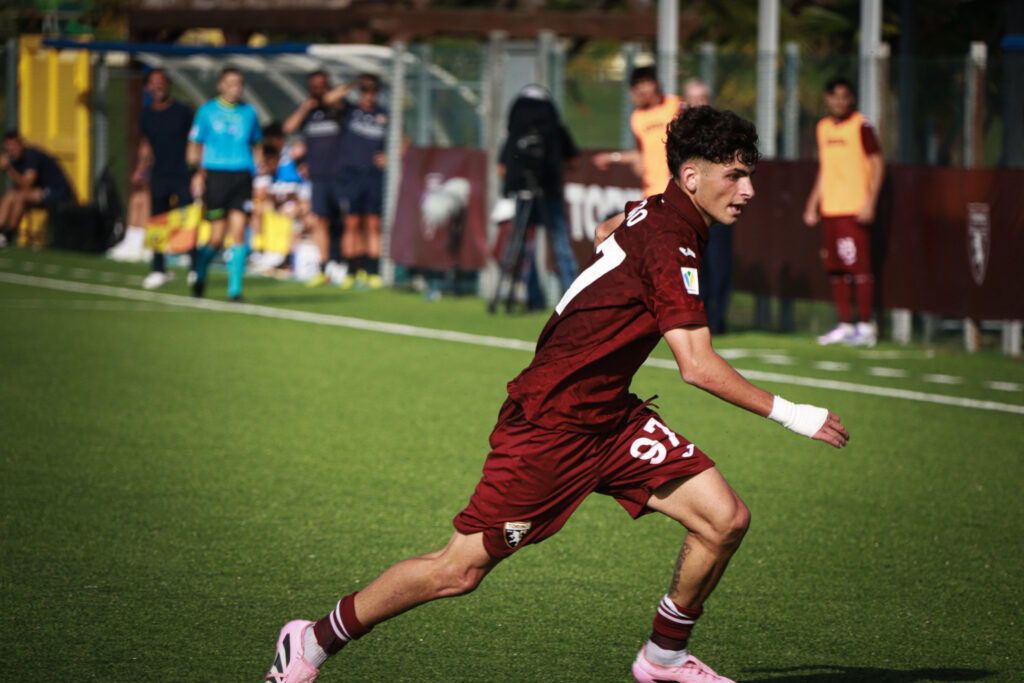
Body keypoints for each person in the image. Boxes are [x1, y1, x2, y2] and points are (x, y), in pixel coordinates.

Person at [264, 106, 850, 683]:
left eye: (750, 175)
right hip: (550, 425)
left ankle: (663, 660)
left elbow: (605, 232)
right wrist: (794, 414)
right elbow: (697, 367)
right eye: (736, 175)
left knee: (724, 519)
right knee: (459, 570)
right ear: (691, 177)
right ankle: (311, 641)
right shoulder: (672, 241)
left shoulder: (659, 211)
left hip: (610, 418)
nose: (748, 190)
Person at [803, 76, 884, 347]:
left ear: (852, 99)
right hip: (831, 210)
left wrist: (871, 202)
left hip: (854, 208)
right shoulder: (823, 127)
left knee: (858, 268)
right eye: (834, 96)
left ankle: (865, 326)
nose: (839, 101)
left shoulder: (861, 126)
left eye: (844, 96)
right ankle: (846, 325)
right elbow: (825, 170)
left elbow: (877, 163)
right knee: (836, 269)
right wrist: (813, 204)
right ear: (828, 99)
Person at [498, 84, 580, 309]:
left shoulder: (517, 135)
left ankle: (539, 297)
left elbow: (502, 168)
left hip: (532, 192)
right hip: (545, 190)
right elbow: (573, 160)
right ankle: (571, 297)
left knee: (527, 245)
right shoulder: (554, 130)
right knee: (557, 243)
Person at [187, 66, 263, 301]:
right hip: (216, 176)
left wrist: (259, 173)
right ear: (220, 85)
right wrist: (196, 173)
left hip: (241, 176)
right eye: (231, 83)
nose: (236, 88)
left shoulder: (249, 113)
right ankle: (200, 272)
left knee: (239, 231)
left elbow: (257, 144)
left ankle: (235, 291)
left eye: (239, 83)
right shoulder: (207, 111)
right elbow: (194, 144)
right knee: (217, 237)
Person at [283, 69, 352, 287]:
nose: (319, 89)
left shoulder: (339, 109)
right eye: (315, 85)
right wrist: (305, 107)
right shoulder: (309, 111)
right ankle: (324, 267)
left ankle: (345, 264)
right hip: (318, 177)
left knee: (344, 220)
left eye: (322, 85)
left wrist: (329, 100)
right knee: (320, 220)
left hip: (340, 174)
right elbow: (288, 127)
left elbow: (343, 100)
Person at [134, 68, 194, 290]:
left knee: (188, 220)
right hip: (159, 174)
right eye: (153, 83)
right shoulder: (146, 114)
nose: (157, 86)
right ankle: (158, 269)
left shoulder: (182, 111)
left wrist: (197, 170)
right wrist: (141, 168)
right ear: (148, 87)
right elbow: (146, 143)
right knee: (157, 223)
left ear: (168, 84)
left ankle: (195, 268)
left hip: (183, 174)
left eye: (161, 82)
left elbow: (195, 140)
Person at [593, 65, 684, 199]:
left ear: (656, 83)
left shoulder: (675, 105)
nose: (642, 89)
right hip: (652, 192)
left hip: (677, 188)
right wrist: (613, 157)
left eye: (645, 83)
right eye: (638, 85)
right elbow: (642, 154)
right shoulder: (637, 117)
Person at [684, 79, 731, 335]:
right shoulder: (681, 134)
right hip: (691, 210)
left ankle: (717, 319)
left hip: (717, 208)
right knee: (693, 265)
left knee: (720, 265)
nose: (699, 104)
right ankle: (695, 315)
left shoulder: (724, 132)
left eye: (703, 98)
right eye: (694, 99)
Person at [335, 73, 389, 290]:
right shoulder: (350, 111)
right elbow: (329, 99)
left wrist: (390, 157)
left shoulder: (384, 115)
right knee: (352, 223)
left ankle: (372, 271)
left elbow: (402, 142)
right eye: (365, 90)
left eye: (373, 90)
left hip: (373, 176)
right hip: (351, 174)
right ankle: (351, 270)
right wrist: (355, 82)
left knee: (373, 223)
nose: (369, 95)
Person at [0, 131, 74, 248]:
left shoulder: (32, 156)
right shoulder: (14, 159)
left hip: (57, 192)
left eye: (14, 148)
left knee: (20, 196)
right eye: (9, 149)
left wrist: (8, 168)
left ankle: (8, 235)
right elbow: (19, 186)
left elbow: (26, 185)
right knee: (10, 195)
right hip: (38, 191)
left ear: (21, 144)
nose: (12, 152)